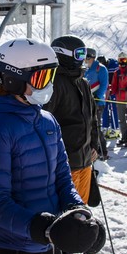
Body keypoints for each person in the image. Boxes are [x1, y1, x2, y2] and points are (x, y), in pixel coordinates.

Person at [0, 38, 104, 254]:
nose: (49, 85)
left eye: (50, 76)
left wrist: (78, 211)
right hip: (13, 247)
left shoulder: (48, 121)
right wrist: (44, 229)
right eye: (41, 77)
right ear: (12, 80)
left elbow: (63, 180)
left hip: (47, 243)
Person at [44, 35, 99, 204]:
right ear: (64, 54)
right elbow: (44, 123)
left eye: (83, 54)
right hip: (65, 163)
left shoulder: (82, 83)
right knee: (67, 212)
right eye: (79, 54)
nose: (82, 59)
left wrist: (95, 145)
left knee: (81, 207)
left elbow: (92, 118)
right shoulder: (53, 84)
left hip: (85, 159)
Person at [84, 47, 109, 159]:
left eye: (87, 58)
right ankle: (94, 150)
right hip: (88, 102)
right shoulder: (87, 70)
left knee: (96, 127)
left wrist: (98, 96)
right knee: (89, 127)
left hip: (97, 103)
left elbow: (104, 85)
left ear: (92, 58)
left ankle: (103, 151)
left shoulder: (101, 69)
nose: (85, 61)